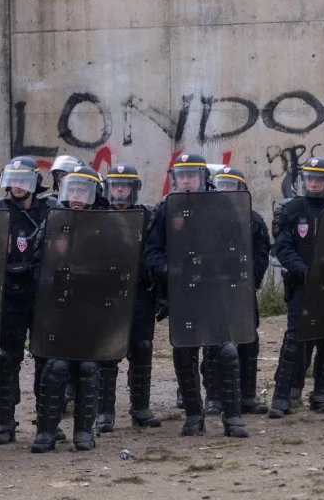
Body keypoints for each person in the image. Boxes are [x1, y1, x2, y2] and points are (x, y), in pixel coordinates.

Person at [144, 153, 256, 438]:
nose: (186, 181)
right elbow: (152, 253)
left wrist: (227, 272)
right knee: (184, 353)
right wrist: (172, 271)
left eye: (191, 176)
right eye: (181, 176)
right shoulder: (165, 209)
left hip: (216, 292)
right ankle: (194, 415)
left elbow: (240, 248)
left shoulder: (224, 206)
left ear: (203, 178)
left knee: (226, 351)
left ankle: (232, 416)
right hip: (184, 295)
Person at [30, 166, 108, 452]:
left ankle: (84, 431)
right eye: (72, 189)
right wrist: (54, 279)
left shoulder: (106, 225)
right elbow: (35, 264)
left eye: (82, 190)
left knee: (87, 369)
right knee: (54, 368)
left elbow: (117, 267)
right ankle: (46, 432)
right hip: (57, 308)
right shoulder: (53, 220)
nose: (76, 195)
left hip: (90, 309)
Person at [268, 158, 324, 417]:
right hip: (301, 285)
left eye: (319, 179)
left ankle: (321, 394)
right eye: (310, 178)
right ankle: (282, 398)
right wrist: (305, 272)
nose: (313, 183)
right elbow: (283, 248)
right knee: (294, 341)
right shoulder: (292, 209)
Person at [0, 157, 52, 445]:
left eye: (23, 179)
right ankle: (5, 423)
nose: (17, 185)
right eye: (13, 180)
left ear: (35, 182)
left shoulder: (50, 210)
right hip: (10, 294)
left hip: (41, 294)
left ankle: (47, 420)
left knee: (46, 358)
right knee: (6, 358)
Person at [97, 163, 161, 431]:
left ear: (134, 189)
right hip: (108, 294)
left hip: (140, 293)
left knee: (142, 348)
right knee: (106, 352)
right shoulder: (99, 217)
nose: (120, 191)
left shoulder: (148, 217)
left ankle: (140, 408)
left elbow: (156, 252)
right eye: (115, 186)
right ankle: (104, 412)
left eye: (125, 186)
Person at [212, 167, 272, 416]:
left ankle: (247, 396)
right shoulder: (205, 218)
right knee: (214, 342)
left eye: (230, 186)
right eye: (221, 185)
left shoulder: (253, 219)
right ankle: (214, 397)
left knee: (248, 340)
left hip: (242, 290)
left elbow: (261, 254)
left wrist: (250, 280)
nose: (224, 190)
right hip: (214, 290)